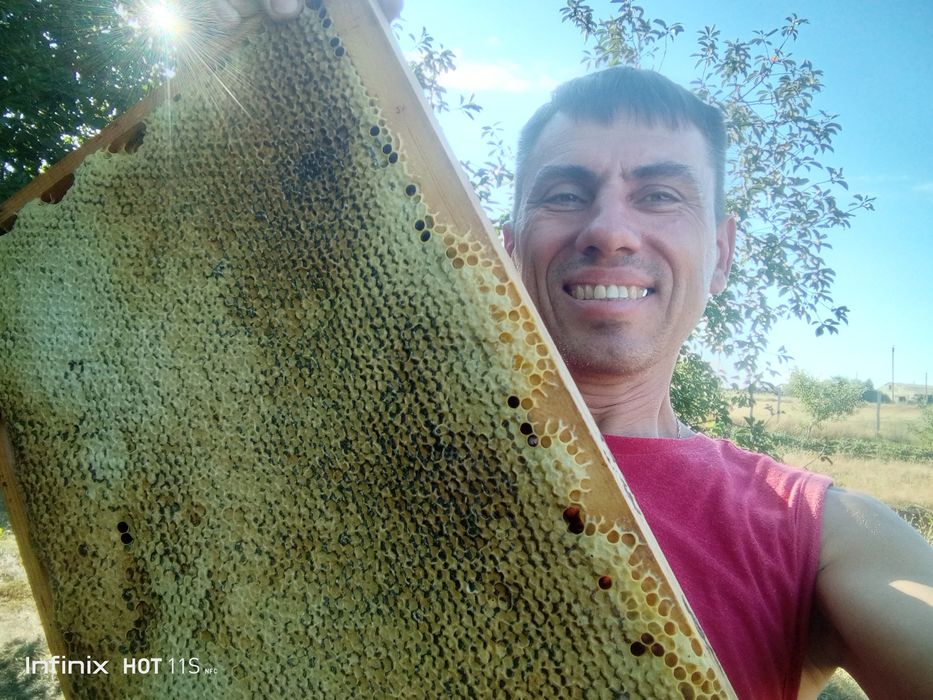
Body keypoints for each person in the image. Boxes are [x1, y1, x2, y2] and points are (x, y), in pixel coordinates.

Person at [227, 2, 933, 698]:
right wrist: (232, 42)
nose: (609, 230)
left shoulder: (820, 532)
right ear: (505, 251)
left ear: (719, 255)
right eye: (565, 193)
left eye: (658, 195)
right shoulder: (343, 453)